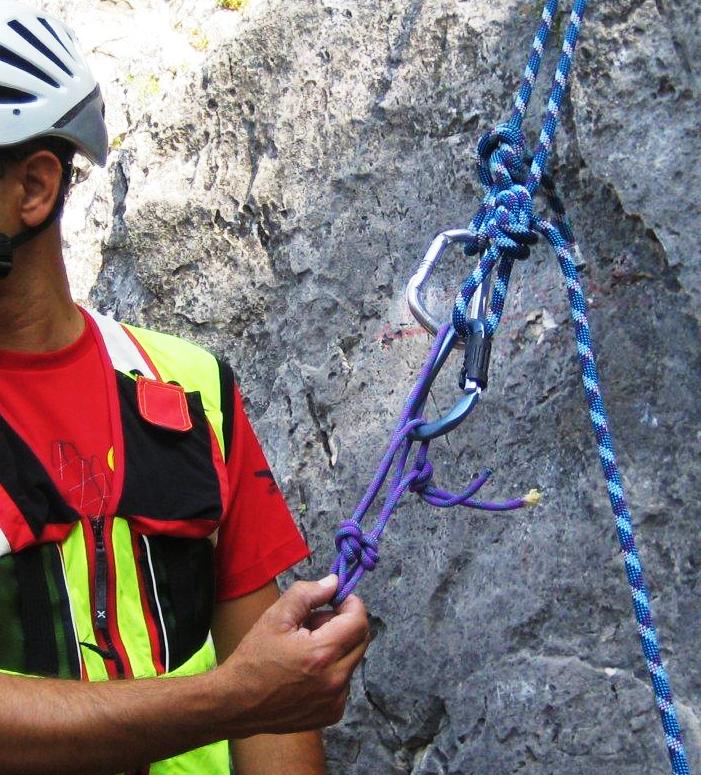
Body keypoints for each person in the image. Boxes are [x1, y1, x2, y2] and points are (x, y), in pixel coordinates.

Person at [0, 3, 369, 773]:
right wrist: (237, 696)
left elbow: (275, 719)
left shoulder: (189, 388)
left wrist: (260, 694)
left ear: (31, 189)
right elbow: (259, 690)